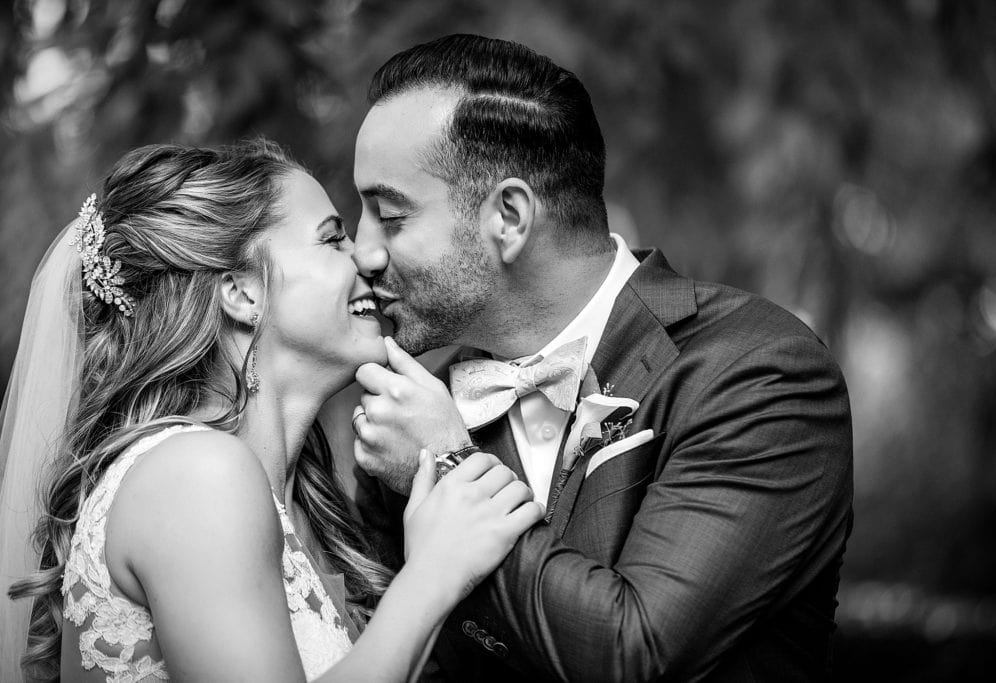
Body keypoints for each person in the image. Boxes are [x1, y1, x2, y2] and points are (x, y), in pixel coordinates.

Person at [347, 34, 854, 681]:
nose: (364, 252)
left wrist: (451, 465)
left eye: (388, 216)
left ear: (508, 214)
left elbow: (636, 654)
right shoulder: (414, 415)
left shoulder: (758, 371)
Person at [0, 140, 545, 682]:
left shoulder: (303, 503)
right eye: (333, 239)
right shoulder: (193, 474)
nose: (368, 257)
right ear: (241, 294)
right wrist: (434, 572)